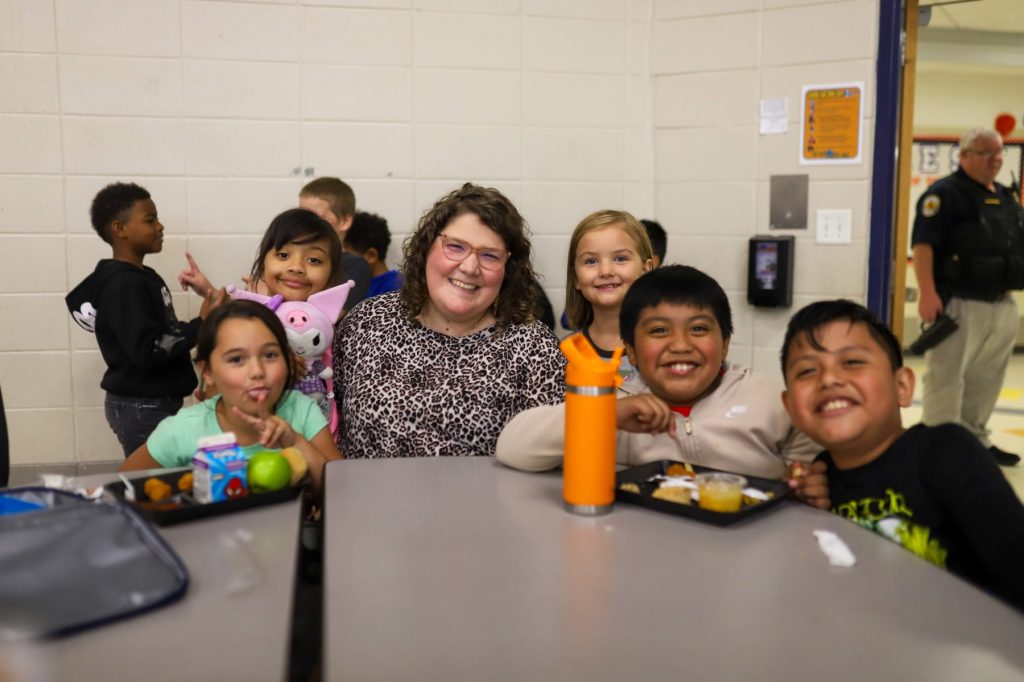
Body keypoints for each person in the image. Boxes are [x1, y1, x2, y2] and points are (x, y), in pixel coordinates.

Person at [497, 266, 826, 501]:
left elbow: (812, 471)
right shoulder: (618, 402)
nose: (680, 345)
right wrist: (606, 413)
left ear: (725, 343)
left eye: (698, 329)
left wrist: (809, 485)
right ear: (632, 352)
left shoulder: (768, 397)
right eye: (658, 331)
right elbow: (512, 448)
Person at [780, 299, 1024, 611]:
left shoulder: (946, 453)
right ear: (791, 408)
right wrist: (800, 509)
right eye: (808, 370)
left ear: (902, 387)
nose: (828, 379)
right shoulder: (821, 476)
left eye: (852, 362)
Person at [333, 182, 565, 458]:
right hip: (366, 499)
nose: (469, 267)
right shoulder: (365, 323)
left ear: (507, 270)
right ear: (427, 247)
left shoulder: (534, 348)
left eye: (490, 255)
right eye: (455, 247)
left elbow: (550, 462)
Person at [66, 182, 225, 457]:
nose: (160, 226)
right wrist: (200, 325)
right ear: (120, 229)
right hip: (142, 406)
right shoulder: (125, 285)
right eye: (150, 220)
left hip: (152, 402)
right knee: (149, 481)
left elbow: (161, 333)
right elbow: (147, 350)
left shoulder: (142, 277)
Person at [120, 300, 342, 488]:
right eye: (236, 359)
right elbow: (120, 487)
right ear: (207, 372)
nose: (257, 371)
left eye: (270, 355)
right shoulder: (182, 430)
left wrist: (294, 441)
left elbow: (339, 488)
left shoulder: (301, 410)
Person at [911, 127, 1024, 467]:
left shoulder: (1006, 196)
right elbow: (923, 246)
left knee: (987, 377)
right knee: (946, 377)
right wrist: (927, 294)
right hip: (958, 302)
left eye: (999, 152)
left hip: (1001, 304)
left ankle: (975, 440)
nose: (996, 159)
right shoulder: (945, 194)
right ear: (964, 156)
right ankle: (939, 446)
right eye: (987, 153)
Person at [179, 208, 347, 419]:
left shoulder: (335, 325)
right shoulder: (247, 322)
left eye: (314, 260)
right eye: (283, 255)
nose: (296, 267)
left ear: (331, 275)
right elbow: (215, 392)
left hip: (322, 438)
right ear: (263, 264)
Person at [565, 210, 654, 379]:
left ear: (646, 269)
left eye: (620, 258)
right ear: (576, 277)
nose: (605, 271)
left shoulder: (665, 348)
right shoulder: (563, 353)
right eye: (591, 261)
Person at [299, 177, 371, 311]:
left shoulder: (355, 266)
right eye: (302, 216)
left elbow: (330, 315)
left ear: (344, 222)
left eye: (317, 218)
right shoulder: (293, 262)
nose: (307, 225)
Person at [344, 211, 402, 298]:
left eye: (347, 256)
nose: (343, 261)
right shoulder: (359, 283)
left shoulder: (396, 287)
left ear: (371, 256)